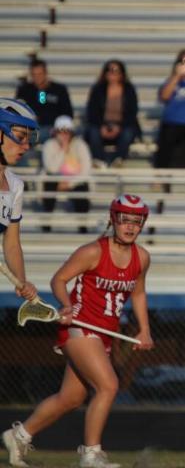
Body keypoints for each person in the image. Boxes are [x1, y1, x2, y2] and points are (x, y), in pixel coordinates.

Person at [2, 194, 153, 468]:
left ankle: (19, 435)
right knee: (108, 385)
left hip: (105, 333)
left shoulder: (142, 257)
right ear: (113, 219)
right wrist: (67, 305)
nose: (130, 226)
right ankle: (91, 455)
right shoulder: (93, 252)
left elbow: (139, 294)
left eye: (136, 221)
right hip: (80, 327)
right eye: (124, 220)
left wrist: (144, 330)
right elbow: (59, 279)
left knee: (71, 398)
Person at [0, 98, 39, 302]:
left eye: (29, 139)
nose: (25, 147)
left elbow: (12, 242)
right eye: (20, 137)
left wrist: (22, 281)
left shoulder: (15, 185)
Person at [84, 59, 141, 168]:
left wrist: (119, 127)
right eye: (109, 70)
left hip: (123, 125)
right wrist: (102, 126)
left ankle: (118, 160)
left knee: (128, 132)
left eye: (116, 71)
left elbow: (132, 112)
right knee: (93, 132)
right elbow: (92, 111)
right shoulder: (98, 89)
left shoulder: (129, 90)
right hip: (102, 124)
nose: (112, 74)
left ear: (122, 74)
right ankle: (99, 160)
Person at [41, 116, 92, 232]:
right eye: (60, 131)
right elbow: (51, 169)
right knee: (48, 186)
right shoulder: (49, 145)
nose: (64, 135)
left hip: (75, 181)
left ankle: (83, 225)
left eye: (67, 131)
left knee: (82, 189)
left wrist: (70, 183)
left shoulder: (80, 145)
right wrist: (62, 150)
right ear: (55, 132)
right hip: (55, 179)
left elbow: (86, 170)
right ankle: (46, 223)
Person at [15, 59, 73, 144]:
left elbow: (67, 113)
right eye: (34, 74)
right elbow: (17, 111)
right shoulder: (24, 90)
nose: (37, 77)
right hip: (31, 129)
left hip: (54, 129)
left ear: (46, 73)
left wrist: (57, 128)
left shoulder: (59, 90)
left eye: (40, 74)